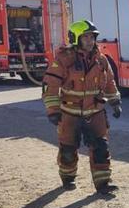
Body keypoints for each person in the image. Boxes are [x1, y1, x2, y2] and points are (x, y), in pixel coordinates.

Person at [42, 19, 121, 193]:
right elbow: (51, 85)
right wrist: (53, 111)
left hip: (95, 112)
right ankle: (68, 178)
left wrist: (115, 101)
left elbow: (109, 82)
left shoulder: (101, 60)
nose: (90, 41)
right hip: (70, 113)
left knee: (101, 148)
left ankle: (103, 184)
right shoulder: (64, 59)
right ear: (75, 38)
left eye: (92, 37)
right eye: (85, 37)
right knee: (68, 150)